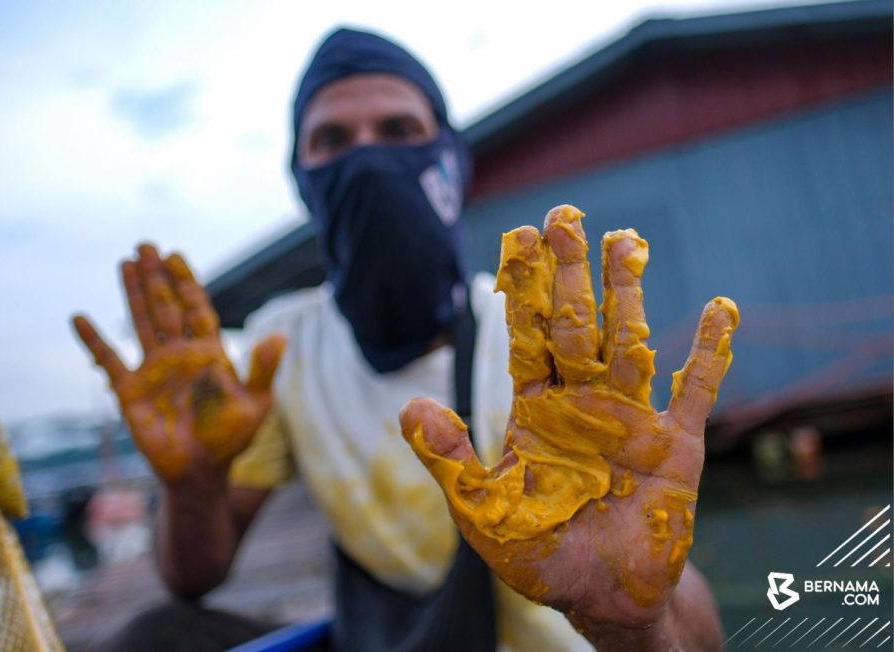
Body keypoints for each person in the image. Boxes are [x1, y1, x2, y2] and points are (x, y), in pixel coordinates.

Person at [73, 27, 737, 652]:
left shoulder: (547, 357)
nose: (367, 156)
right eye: (333, 140)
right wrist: (193, 487)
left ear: (449, 162)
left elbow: (689, 617)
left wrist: (635, 623)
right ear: (303, 180)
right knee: (158, 633)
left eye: (398, 131)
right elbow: (197, 577)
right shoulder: (285, 347)